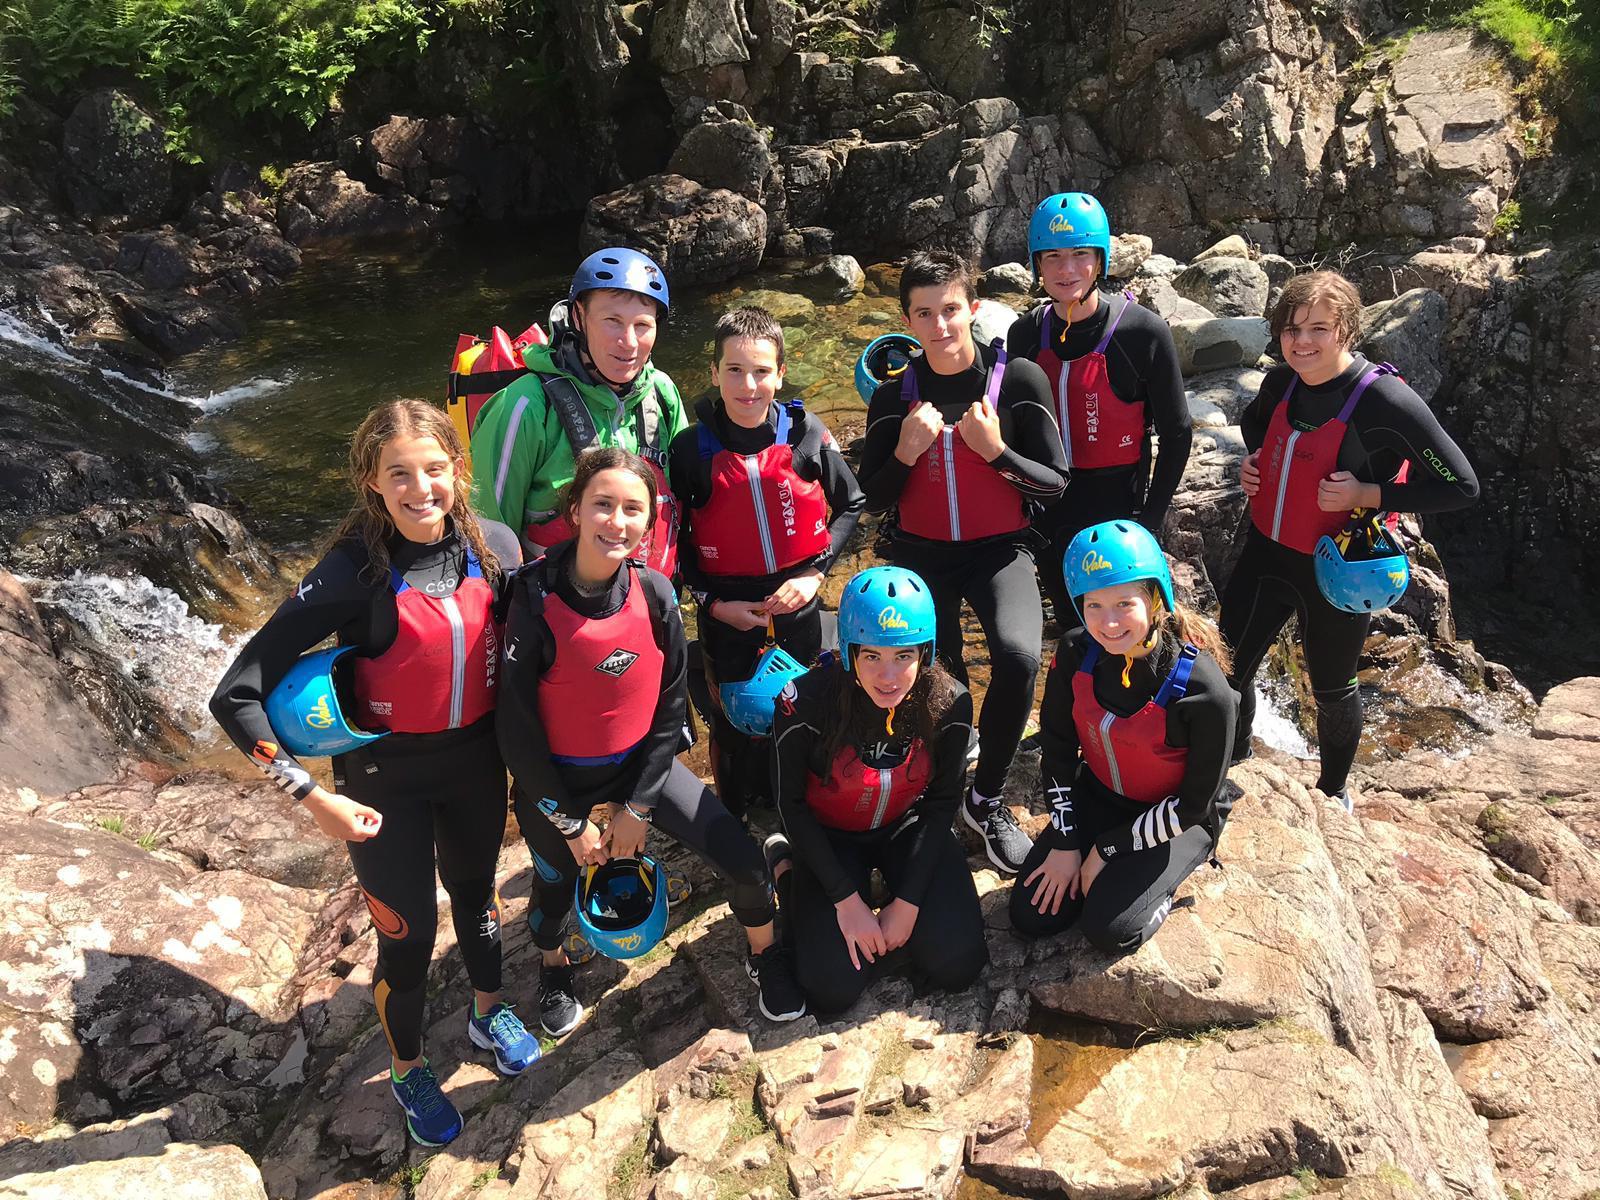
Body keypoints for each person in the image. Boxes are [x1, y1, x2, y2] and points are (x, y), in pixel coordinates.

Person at [209, 400, 535, 1148]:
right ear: (371, 482)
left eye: (434, 469)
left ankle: (490, 1010)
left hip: (478, 768)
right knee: (409, 937)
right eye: (399, 475)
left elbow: (542, 653)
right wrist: (312, 795)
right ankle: (409, 1066)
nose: (421, 489)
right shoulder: (351, 571)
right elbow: (235, 693)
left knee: (479, 898)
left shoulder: (498, 547)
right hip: (382, 787)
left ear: (459, 470)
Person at [495, 448, 808, 1025]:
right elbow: (514, 728)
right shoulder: (535, 598)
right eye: (603, 505)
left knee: (743, 860)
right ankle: (554, 964)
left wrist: (637, 806)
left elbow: (670, 707)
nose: (617, 521)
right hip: (557, 779)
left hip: (642, 767)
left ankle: (765, 955)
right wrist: (570, 824)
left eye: (632, 509)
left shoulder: (656, 593)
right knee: (553, 889)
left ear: (649, 521)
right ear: (575, 510)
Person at [1221, 270, 1479, 808]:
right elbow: (1256, 428)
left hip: (1336, 573)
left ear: (1347, 330)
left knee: (1332, 689)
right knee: (1226, 670)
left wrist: (1368, 491)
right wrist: (1252, 464)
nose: (1303, 341)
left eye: (1318, 327)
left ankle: (1334, 791)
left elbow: (1460, 485)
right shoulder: (1280, 382)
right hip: (1265, 556)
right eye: (1291, 329)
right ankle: (1236, 757)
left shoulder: (1384, 401)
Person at [856, 250, 1068, 876]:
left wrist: (997, 452)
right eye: (924, 314)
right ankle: (943, 788)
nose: (940, 325)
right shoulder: (896, 397)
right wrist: (904, 449)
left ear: (973, 308)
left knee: (1020, 656)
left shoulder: (1021, 380)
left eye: (950, 309)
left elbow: (1056, 483)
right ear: (908, 320)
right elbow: (875, 496)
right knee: (941, 684)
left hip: (999, 551)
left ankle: (987, 798)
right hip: (922, 557)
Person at [669, 305, 865, 816]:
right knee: (731, 726)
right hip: (727, 617)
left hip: (797, 606)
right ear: (714, 373)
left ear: (780, 373)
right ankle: (733, 817)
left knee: (805, 711)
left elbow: (853, 504)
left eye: (761, 371)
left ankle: (799, 812)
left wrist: (815, 574)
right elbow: (677, 544)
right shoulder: (691, 450)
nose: (748, 385)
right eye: (734, 370)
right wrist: (712, 606)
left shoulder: (806, 434)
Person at [767, 565, 987, 1014]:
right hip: (829, 836)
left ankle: (888, 890)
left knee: (959, 964)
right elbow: (790, 803)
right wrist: (847, 903)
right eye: (872, 656)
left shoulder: (950, 702)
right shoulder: (804, 703)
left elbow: (943, 801)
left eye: (904, 656)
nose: (889, 676)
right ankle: (787, 873)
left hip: (903, 827)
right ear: (848, 652)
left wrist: (906, 904)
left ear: (925, 652)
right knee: (832, 989)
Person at [1008, 520, 1236, 950]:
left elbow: (1191, 805)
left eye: (1124, 603)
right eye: (1093, 605)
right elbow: (1057, 752)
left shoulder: (1204, 691)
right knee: (1031, 916)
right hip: (1099, 795)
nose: (1108, 623)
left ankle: (1175, 874)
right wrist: (1066, 840)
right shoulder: (1075, 655)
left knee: (1111, 931)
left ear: (1155, 599)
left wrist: (1106, 850)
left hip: (1176, 819)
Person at [1006, 192, 1192, 625]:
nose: (1066, 269)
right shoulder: (1025, 335)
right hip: (1049, 512)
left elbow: (1178, 432)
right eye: (1051, 255)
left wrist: (1150, 520)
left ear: (1101, 259)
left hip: (1117, 511)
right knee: (1075, 632)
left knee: (1125, 634)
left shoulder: (1142, 332)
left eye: (1080, 254)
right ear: (1036, 264)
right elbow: (1013, 428)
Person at [469, 247, 687, 573]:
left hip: (646, 608)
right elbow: (487, 536)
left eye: (642, 325)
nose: (628, 342)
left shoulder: (662, 394)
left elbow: (688, 499)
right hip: (554, 612)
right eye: (612, 321)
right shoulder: (525, 405)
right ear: (578, 316)